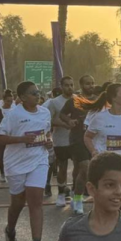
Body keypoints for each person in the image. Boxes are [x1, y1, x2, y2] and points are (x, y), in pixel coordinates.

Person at [0, 81, 53, 241]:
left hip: (39, 160)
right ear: (22, 97)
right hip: (16, 163)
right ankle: (10, 230)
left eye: (38, 92)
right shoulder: (14, 114)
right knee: (18, 202)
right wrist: (21, 139)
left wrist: (48, 141)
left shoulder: (45, 112)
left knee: (36, 201)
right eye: (33, 93)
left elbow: (47, 133)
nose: (37, 95)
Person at [60, 75, 97, 214]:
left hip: (94, 140)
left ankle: (76, 190)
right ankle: (78, 199)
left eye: (92, 83)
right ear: (81, 85)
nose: (91, 86)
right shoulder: (74, 100)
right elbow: (62, 114)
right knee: (85, 168)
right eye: (88, 83)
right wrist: (69, 121)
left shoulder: (98, 100)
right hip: (77, 139)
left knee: (79, 170)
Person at [83, 83, 121, 161]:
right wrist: (93, 151)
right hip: (104, 162)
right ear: (113, 98)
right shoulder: (100, 117)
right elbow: (87, 137)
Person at [44, 77, 76, 208]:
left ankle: (74, 193)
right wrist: (64, 124)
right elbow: (49, 120)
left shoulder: (79, 100)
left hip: (76, 140)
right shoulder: (54, 102)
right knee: (62, 167)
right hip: (60, 140)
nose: (69, 87)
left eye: (71, 85)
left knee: (78, 168)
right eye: (66, 85)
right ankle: (61, 193)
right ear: (61, 86)